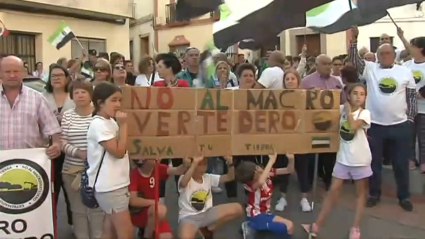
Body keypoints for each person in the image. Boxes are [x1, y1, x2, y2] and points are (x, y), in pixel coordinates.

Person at [348, 26, 417, 211]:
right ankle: (374, 194)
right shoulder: (370, 69)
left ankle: (404, 196)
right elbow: (355, 61)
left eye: (388, 53)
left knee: (401, 164)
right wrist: (354, 41)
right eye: (382, 53)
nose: (385, 55)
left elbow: (411, 97)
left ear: (394, 55)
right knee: (374, 163)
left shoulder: (404, 72)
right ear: (377, 56)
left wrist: (410, 119)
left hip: (400, 125)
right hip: (375, 126)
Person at [302, 84, 372, 239]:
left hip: (360, 160)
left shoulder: (364, 113)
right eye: (355, 93)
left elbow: (353, 126)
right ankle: (317, 225)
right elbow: (323, 114)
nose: (358, 96)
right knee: (332, 192)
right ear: (348, 95)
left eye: (362, 94)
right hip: (342, 159)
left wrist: (347, 110)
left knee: (360, 194)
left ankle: (355, 228)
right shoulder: (340, 109)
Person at [86, 82, 133, 238]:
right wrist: (124, 125)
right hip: (111, 186)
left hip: (114, 184)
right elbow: (119, 152)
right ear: (100, 103)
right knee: (125, 231)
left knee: (110, 228)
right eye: (113, 100)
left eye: (120, 100)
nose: (118, 104)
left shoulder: (110, 121)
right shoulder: (99, 125)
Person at [61, 80, 105, 239]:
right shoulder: (67, 115)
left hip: (97, 171)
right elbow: (62, 142)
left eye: (83, 92)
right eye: (76, 92)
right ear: (72, 96)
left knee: (97, 210)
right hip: (71, 171)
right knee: (78, 211)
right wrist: (78, 152)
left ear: (90, 95)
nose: (80, 95)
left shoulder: (100, 115)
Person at [0, 55, 61, 156]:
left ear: (23, 72)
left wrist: (56, 144)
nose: (12, 75)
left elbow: (53, 129)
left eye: (16, 71)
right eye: (7, 72)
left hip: (30, 163)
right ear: (0, 73)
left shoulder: (38, 98)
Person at [300, 54, 345, 191]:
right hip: (312, 124)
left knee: (330, 154)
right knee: (312, 156)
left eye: (329, 64)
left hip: (331, 124)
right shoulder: (307, 81)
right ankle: (309, 182)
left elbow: (342, 101)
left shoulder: (336, 82)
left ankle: (328, 181)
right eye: (324, 64)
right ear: (317, 65)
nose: (328, 67)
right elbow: (299, 102)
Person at [178, 156, 244, 239]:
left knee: (238, 209)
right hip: (189, 217)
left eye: (205, 165)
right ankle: (197, 230)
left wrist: (230, 163)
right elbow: (183, 183)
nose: (202, 169)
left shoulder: (208, 177)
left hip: (207, 213)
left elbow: (229, 177)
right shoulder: (183, 178)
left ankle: (208, 229)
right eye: (199, 165)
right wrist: (194, 163)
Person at [42, 64, 75, 225]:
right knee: (52, 189)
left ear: (67, 78)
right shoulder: (42, 96)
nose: (56, 78)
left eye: (60, 75)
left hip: (71, 148)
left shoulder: (74, 96)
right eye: (53, 75)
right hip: (50, 149)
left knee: (72, 190)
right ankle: (50, 224)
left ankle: (75, 224)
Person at [129, 158, 190, 239]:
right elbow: (133, 200)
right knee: (160, 210)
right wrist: (154, 202)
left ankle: (147, 231)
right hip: (140, 212)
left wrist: (185, 165)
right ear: (142, 161)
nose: (157, 158)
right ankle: (146, 236)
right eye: (152, 156)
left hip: (155, 212)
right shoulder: (134, 174)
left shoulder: (158, 168)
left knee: (166, 236)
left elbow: (177, 171)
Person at [237, 153, 294, 239]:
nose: (259, 170)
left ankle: (253, 228)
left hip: (266, 213)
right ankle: (251, 226)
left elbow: (289, 170)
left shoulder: (267, 173)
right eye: (255, 172)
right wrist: (271, 161)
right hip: (255, 216)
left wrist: (291, 159)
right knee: (285, 227)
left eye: (256, 167)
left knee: (289, 227)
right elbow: (260, 182)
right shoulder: (251, 185)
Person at [403, 36, 425, 172]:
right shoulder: (406, 65)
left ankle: (424, 162)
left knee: (423, 137)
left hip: (423, 109)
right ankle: (411, 160)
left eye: (412, 45)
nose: (410, 48)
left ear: (421, 48)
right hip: (408, 108)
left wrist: (422, 94)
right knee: (408, 136)